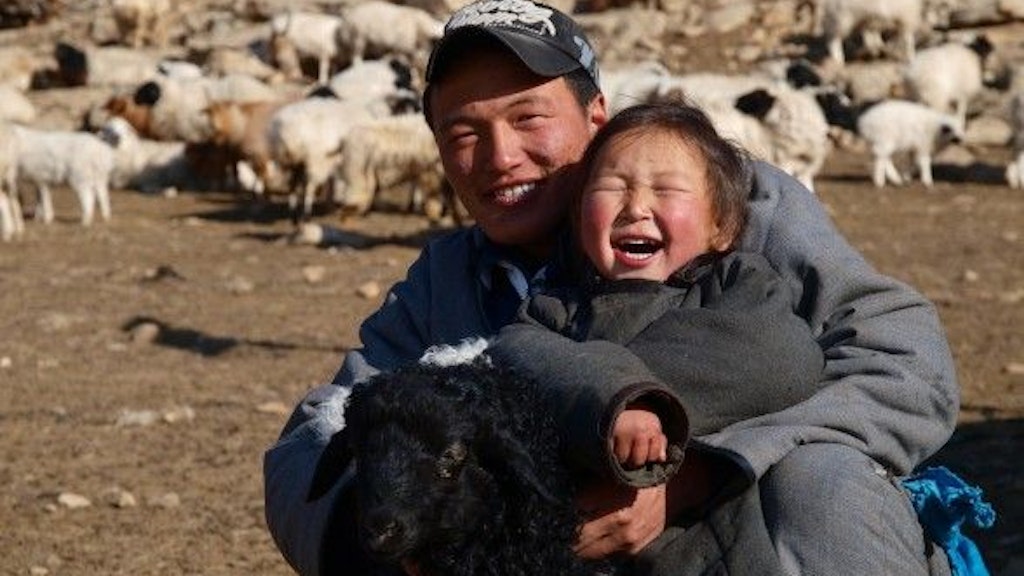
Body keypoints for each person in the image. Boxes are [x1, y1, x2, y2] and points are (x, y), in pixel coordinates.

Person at [263, 1, 960, 574]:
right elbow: (314, 441)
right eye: (464, 133)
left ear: (595, 117)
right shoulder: (448, 283)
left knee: (823, 482)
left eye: (528, 118)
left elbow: (903, 362)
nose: (501, 157)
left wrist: (702, 471)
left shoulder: (724, 206)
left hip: (763, 544)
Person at [486, 101, 827, 492]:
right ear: (579, 219)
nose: (636, 207)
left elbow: (781, 357)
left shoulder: (737, 283)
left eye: (666, 190)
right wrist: (607, 394)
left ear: (723, 226)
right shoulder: (554, 309)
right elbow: (515, 353)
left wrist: (638, 399)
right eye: (613, 187)